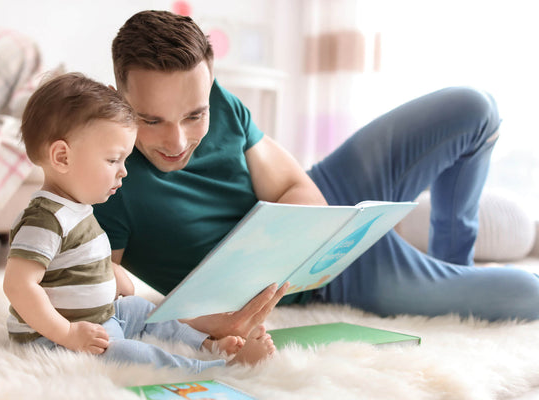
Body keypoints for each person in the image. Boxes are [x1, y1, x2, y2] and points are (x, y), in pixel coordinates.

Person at [94, 10, 539, 339]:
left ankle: (451, 261)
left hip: (334, 194)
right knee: (527, 292)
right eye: (151, 121)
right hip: (333, 279)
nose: (176, 141)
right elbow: (110, 297)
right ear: (118, 97)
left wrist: (286, 234)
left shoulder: (222, 102)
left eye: (195, 115)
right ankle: (443, 276)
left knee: (475, 108)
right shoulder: (106, 178)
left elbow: (298, 187)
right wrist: (200, 317)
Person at [2, 72, 275, 372]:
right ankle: (213, 369)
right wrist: (67, 334)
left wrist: (109, 274)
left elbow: (76, 264)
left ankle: (206, 344)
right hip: (55, 339)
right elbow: (19, 285)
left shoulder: (77, 207)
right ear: (62, 158)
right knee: (132, 356)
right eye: (113, 160)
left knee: (146, 311)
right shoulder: (44, 219)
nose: (124, 172)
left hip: (100, 316)